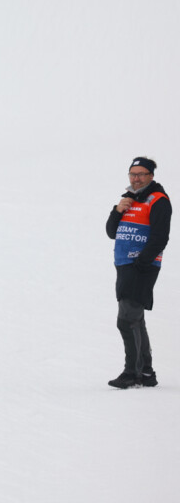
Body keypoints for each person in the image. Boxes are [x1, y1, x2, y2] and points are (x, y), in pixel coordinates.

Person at [105, 157, 171, 389]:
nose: (136, 178)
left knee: (126, 320)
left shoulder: (158, 200)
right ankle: (145, 372)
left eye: (142, 174)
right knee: (136, 319)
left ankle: (131, 372)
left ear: (151, 175)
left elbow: (160, 237)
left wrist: (142, 264)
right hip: (124, 264)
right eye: (133, 174)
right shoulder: (129, 200)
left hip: (141, 266)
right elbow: (112, 232)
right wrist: (117, 210)